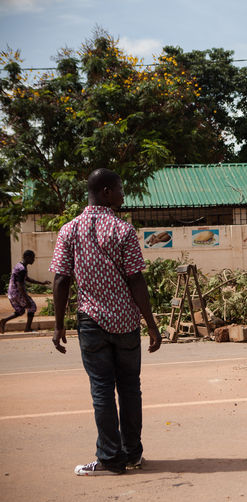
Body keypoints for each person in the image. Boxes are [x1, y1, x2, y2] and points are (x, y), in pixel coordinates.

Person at [49, 168, 162, 476]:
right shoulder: (123, 230)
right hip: (126, 323)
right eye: (120, 188)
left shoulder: (69, 230)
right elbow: (136, 279)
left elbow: (61, 280)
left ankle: (110, 459)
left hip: (91, 322)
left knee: (102, 390)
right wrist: (150, 323)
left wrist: (58, 325)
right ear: (106, 192)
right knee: (129, 389)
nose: (124, 194)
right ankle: (132, 454)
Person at [1, 250, 50, 333]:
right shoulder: (22, 269)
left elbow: (26, 279)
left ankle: (4, 321)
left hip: (11, 292)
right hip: (17, 292)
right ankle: (27, 329)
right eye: (32, 258)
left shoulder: (19, 265)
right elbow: (20, 286)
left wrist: (41, 283)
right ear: (27, 257)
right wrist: (26, 299)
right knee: (32, 306)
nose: (33, 260)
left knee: (20, 311)